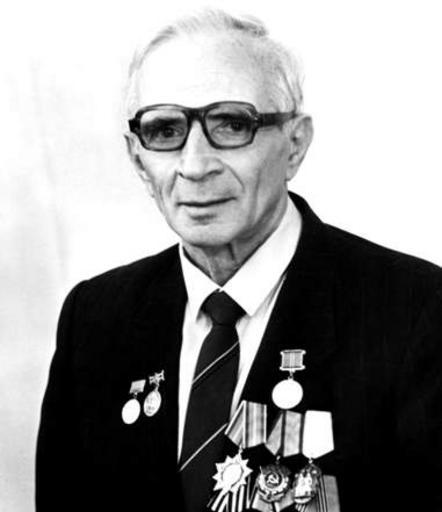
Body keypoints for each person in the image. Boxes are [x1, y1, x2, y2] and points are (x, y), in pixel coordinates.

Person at [36, 8, 442, 512]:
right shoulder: (95, 318)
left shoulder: (416, 312)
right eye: (165, 130)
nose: (194, 165)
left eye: (231, 125)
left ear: (295, 145)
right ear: (138, 159)